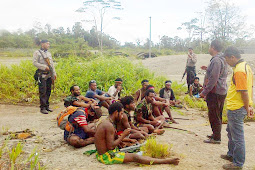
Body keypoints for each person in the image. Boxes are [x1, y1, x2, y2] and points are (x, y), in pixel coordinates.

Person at [94, 102, 180, 165]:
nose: (122, 116)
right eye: (121, 113)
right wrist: (123, 135)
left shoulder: (108, 122)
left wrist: (126, 139)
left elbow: (113, 139)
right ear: (116, 113)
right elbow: (110, 146)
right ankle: (167, 161)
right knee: (135, 157)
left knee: (135, 147)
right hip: (106, 156)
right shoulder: (108, 125)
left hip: (106, 151)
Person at [221, 47, 254, 169]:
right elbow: (250, 87)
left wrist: (247, 107)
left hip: (237, 108)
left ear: (232, 57)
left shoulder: (240, 70)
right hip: (236, 106)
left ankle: (238, 163)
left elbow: (244, 91)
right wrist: (249, 105)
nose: (227, 62)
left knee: (237, 137)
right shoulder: (246, 67)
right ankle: (231, 154)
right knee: (230, 132)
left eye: (227, 59)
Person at [200, 40, 228, 144]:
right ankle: (216, 134)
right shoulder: (222, 59)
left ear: (213, 48)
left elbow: (214, 78)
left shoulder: (216, 60)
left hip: (215, 92)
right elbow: (219, 73)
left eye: (209, 47)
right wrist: (208, 69)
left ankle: (216, 138)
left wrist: (205, 92)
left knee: (213, 114)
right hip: (221, 91)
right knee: (217, 113)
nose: (209, 49)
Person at [33, 39, 56, 114]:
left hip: (49, 74)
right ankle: (42, 108)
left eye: (49, 44)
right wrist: (43, 67)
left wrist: (54, 73)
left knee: (48, 91)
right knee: (43, 91)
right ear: (42, 44)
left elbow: (51, 64)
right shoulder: (37, 53)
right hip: (42, 75)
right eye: (47, 44)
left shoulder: (49, 53)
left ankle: (47, 106)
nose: (48, 45)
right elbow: (35, 63)